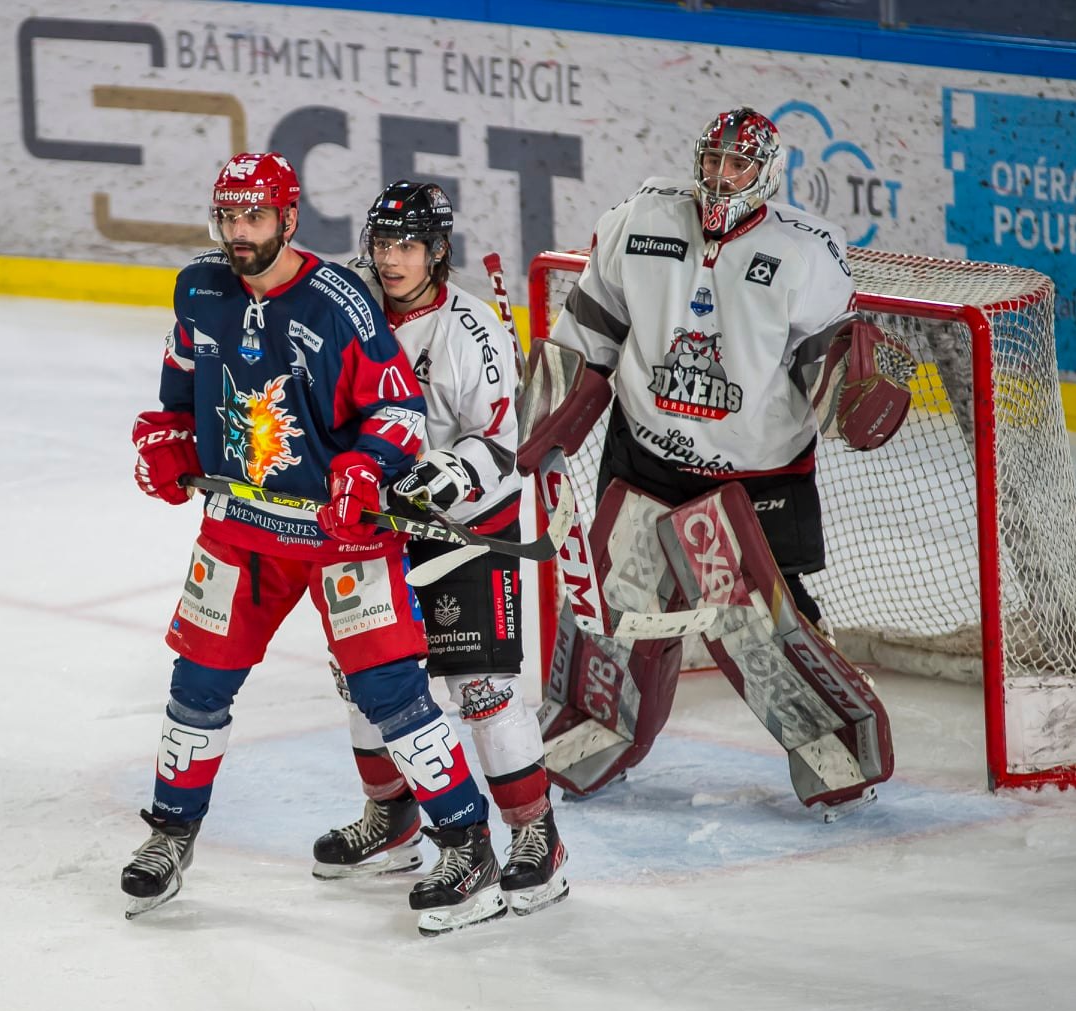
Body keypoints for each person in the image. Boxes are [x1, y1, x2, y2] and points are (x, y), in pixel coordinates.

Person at [122, 153, 505, 935]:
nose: (238, 233)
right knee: (196, 686)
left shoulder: (338, 303)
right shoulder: (199, 288)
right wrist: (166, 438)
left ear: (288, 219)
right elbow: (179, 386)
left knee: (390, 695)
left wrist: (364, 473)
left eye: (253, 218)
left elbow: (396, 412)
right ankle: (169, 835)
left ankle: (468, 849)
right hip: (240, 532)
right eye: (227, 217)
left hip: (341, 537)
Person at [520, 107, 908, 815]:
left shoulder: (807, 249)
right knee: (609, 605)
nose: (719, 177)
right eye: (711, 161)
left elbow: (825, 357)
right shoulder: (639, 218)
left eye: (737, 166)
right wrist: (549, 416)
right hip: (644, 452)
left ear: (767, 173)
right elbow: (591, 323)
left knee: (762, 621)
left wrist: (853, 391)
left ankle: (833, 742)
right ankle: (591, 723)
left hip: (753, 473)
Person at [309, 181, 569, 918]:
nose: (389, 260)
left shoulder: (472, 329)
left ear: (436, 251)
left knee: (480, 689)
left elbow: (498, 443)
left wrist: (435, 480)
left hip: (463, 532)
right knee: (364, 677)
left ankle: (533, 837)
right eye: (381, 244)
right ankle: (391, 820)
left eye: (405, 246)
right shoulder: (349, 306)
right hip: (369, 527)